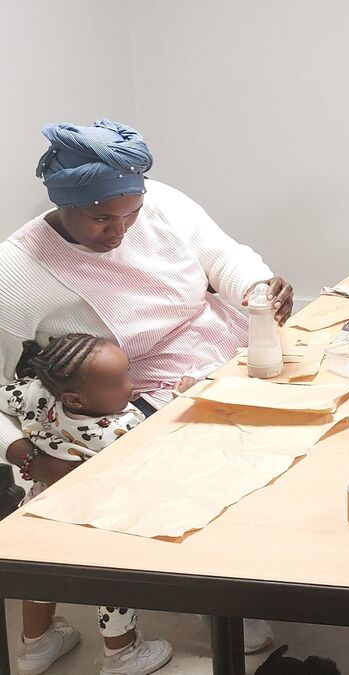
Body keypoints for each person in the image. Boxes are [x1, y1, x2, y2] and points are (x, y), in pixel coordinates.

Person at [0, 118, 284, 655]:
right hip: (145, 392)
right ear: (63, 204)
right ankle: (219, 596)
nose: (122, 230)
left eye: (131, 213)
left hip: (231, 345)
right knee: (206, 481)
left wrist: (256, 285)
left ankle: (267, 562)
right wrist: (25, 457)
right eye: (102, 218)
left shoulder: (160, 204)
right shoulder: (17, 273)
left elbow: (221, 256)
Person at [4, 334, 172, 675]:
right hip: (99, 518)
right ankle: (122, 653)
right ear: (76, 400)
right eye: (118, 382)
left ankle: (35, 645)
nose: (130, 386)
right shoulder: (121, 427)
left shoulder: (35, 394)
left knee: (40, 573)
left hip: (44, 506)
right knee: (111, 583)